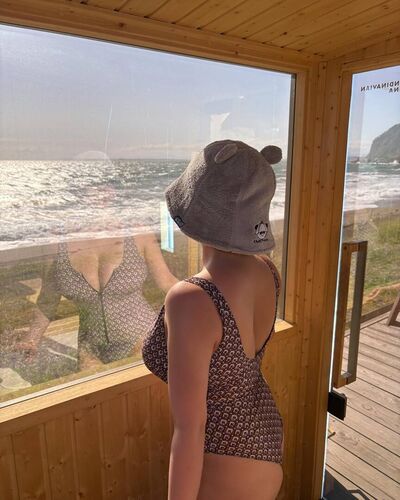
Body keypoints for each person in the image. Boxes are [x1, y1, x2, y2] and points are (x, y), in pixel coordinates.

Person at [142, 139, 284, 500]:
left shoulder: (191, 300)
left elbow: (189, 430)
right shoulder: (267, 270)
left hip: (225, 457)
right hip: (265, 434)